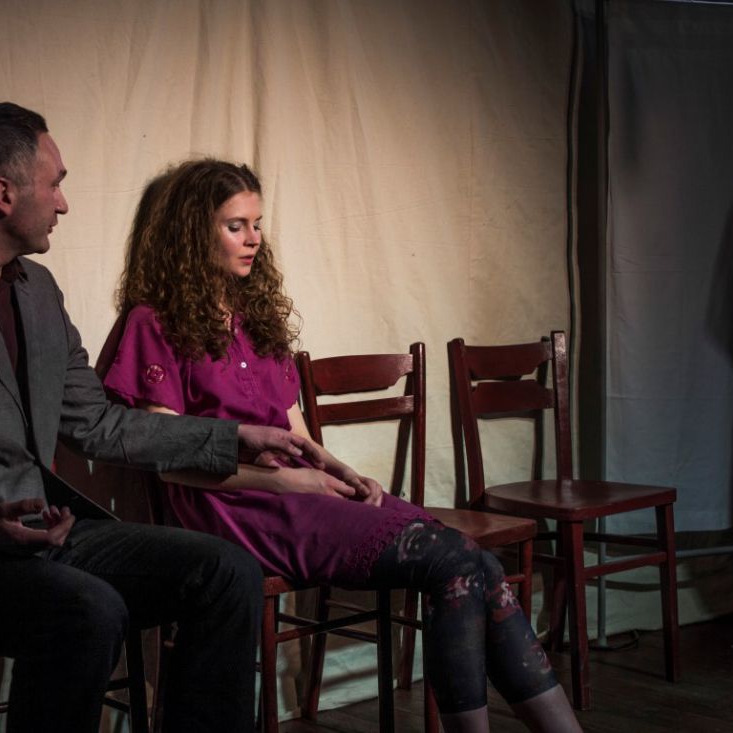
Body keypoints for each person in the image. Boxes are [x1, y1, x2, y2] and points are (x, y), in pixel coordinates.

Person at [0, 104, 324, 733]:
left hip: (49, 534)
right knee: (90, 609)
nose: (63, 203)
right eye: (55, 184)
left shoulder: (37, 290)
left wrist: (233, 437)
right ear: (3, 195)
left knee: (227, 571)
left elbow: (98, 424)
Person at [101, 159, 584, 733]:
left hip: (298, 493)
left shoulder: (250, 313)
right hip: (232, 508)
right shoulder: (152, 322)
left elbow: (297, 431)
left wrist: (343, 474)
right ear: (191, 233)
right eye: (236, 226)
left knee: (479, 562)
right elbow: (169, 461)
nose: (254, 238)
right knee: (453, 561)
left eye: (257, 223)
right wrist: (286, 482)